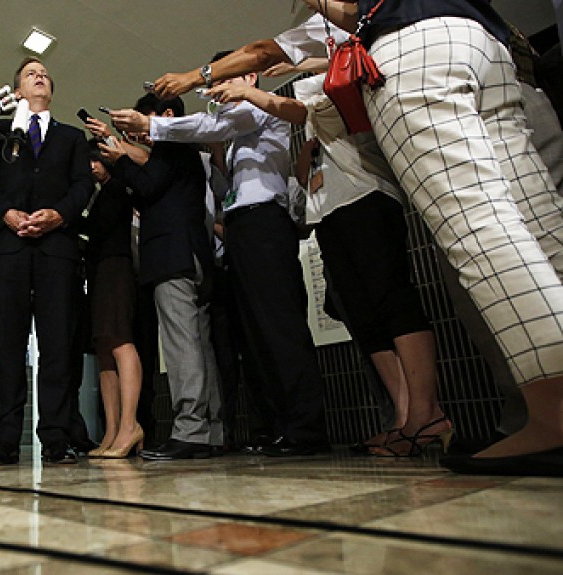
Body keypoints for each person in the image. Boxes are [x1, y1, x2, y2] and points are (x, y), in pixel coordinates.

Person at [294, 0, 563, 475]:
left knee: (479, 226)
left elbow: (351, 10)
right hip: (481, 40)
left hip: (414, 51)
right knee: (540, 222)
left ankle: (554, 414)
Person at [222, 62, 448, 456]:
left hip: (367, 196)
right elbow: (303, 170)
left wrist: (271, 78)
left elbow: (300, 108)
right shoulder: (311, 110)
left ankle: (427, 413)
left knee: (392, 299)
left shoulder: (344, 82)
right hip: (326, 211)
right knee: (362, 314)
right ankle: (404, 418)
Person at [112, 68, 329, 458]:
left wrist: (150, 127)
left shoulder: (260, 109)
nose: (216, 89)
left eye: (223, 79)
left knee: (279, 326)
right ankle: (275, 427)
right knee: (254, 335)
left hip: (264, 220)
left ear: (250, 76)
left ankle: (304, 427)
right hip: (238, 229)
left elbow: (211, 126)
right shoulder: (230, 141)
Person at [0, 57, 94, 465]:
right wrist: (5, 213)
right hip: (8, 247)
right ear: (17, 91)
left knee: (57, 344)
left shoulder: (72, 137)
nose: (40, 76)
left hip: (56, 249)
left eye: (44, 74)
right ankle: (5, 439)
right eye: (31, 74)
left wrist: (59, 214)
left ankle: (56, 437)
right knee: (8, 344)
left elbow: (83, 185)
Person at [99, 95, 221, 461]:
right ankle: (212, 431)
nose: (141, 131)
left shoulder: (173, 143)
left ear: (166, 116)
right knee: (199, 346)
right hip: (193, 255)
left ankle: (191, 430)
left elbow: (148, 185)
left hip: (173, 257)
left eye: (143, 120)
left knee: (182, 345)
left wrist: (119, 161)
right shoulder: (185, 151)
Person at [77, 138, 142, 458]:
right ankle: (112, 430)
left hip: (116, 268)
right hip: (100, 270)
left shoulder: (117, 187)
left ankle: (130, 425)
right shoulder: (100, 192)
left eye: (97, 160)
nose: (92, 166)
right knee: (104, 348)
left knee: (120, 341)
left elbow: (100, 228)